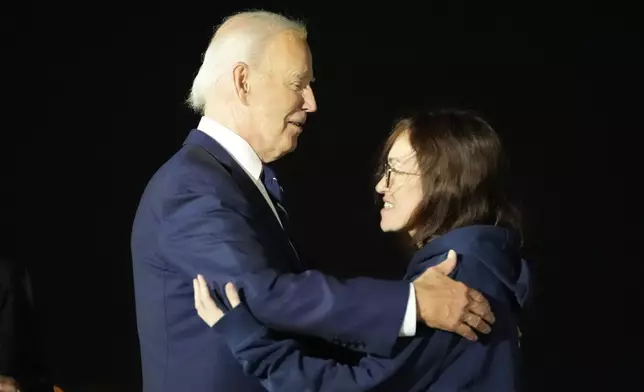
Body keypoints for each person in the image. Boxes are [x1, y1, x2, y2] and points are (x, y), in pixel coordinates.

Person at [131, 11, 495, 392]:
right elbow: (267, 294)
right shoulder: (190, 186)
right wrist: (412, 304)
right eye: (298, 84)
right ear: (243, 82)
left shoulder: (229, 182)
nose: (312, 102)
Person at [194, 109, 533, 391]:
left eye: (397, 170)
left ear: (447, 180)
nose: (381, 185)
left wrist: (249, 342)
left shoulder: (456, 280)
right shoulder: (484, 264)